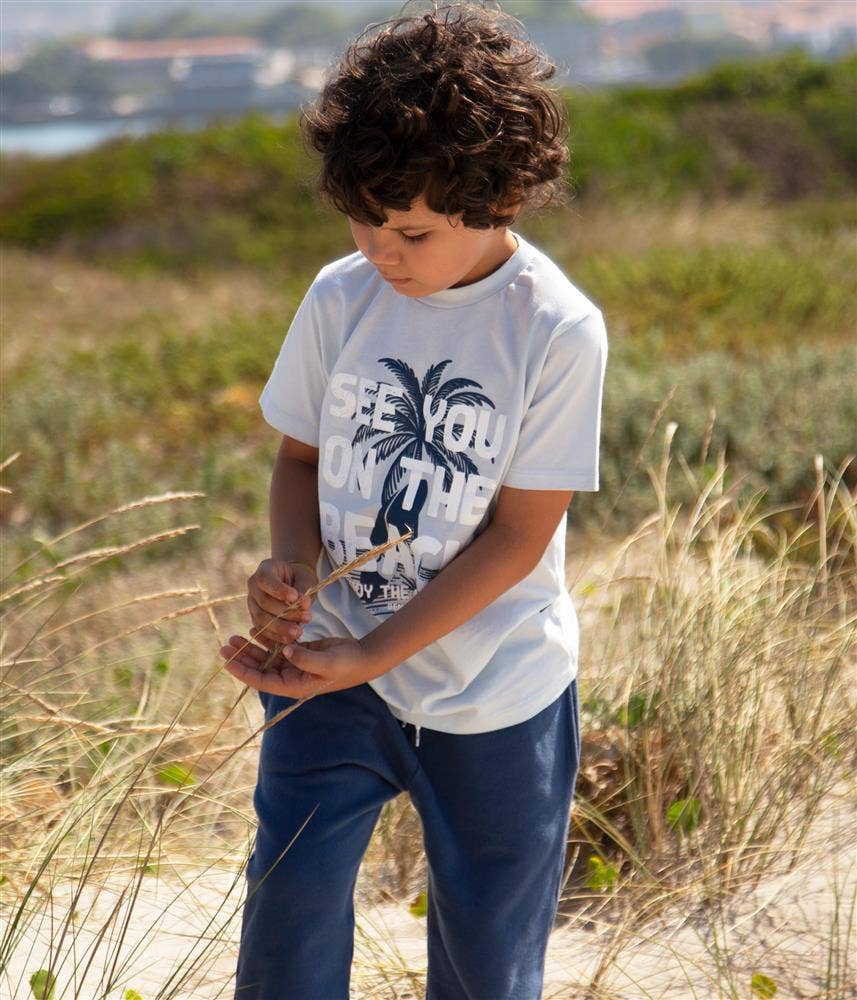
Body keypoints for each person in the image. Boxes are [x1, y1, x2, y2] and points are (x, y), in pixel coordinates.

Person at [219, 3, 608, 997]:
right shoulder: (338, 296)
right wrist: (292, 570)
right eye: (361, 220)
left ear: (504, 194)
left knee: (485, 962)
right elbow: (298, 462)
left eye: (411, 231)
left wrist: (373, 653)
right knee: (286, 923)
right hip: (324, 678)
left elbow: (519, 538)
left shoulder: (555, 329)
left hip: (494, 694)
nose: (381, 251)